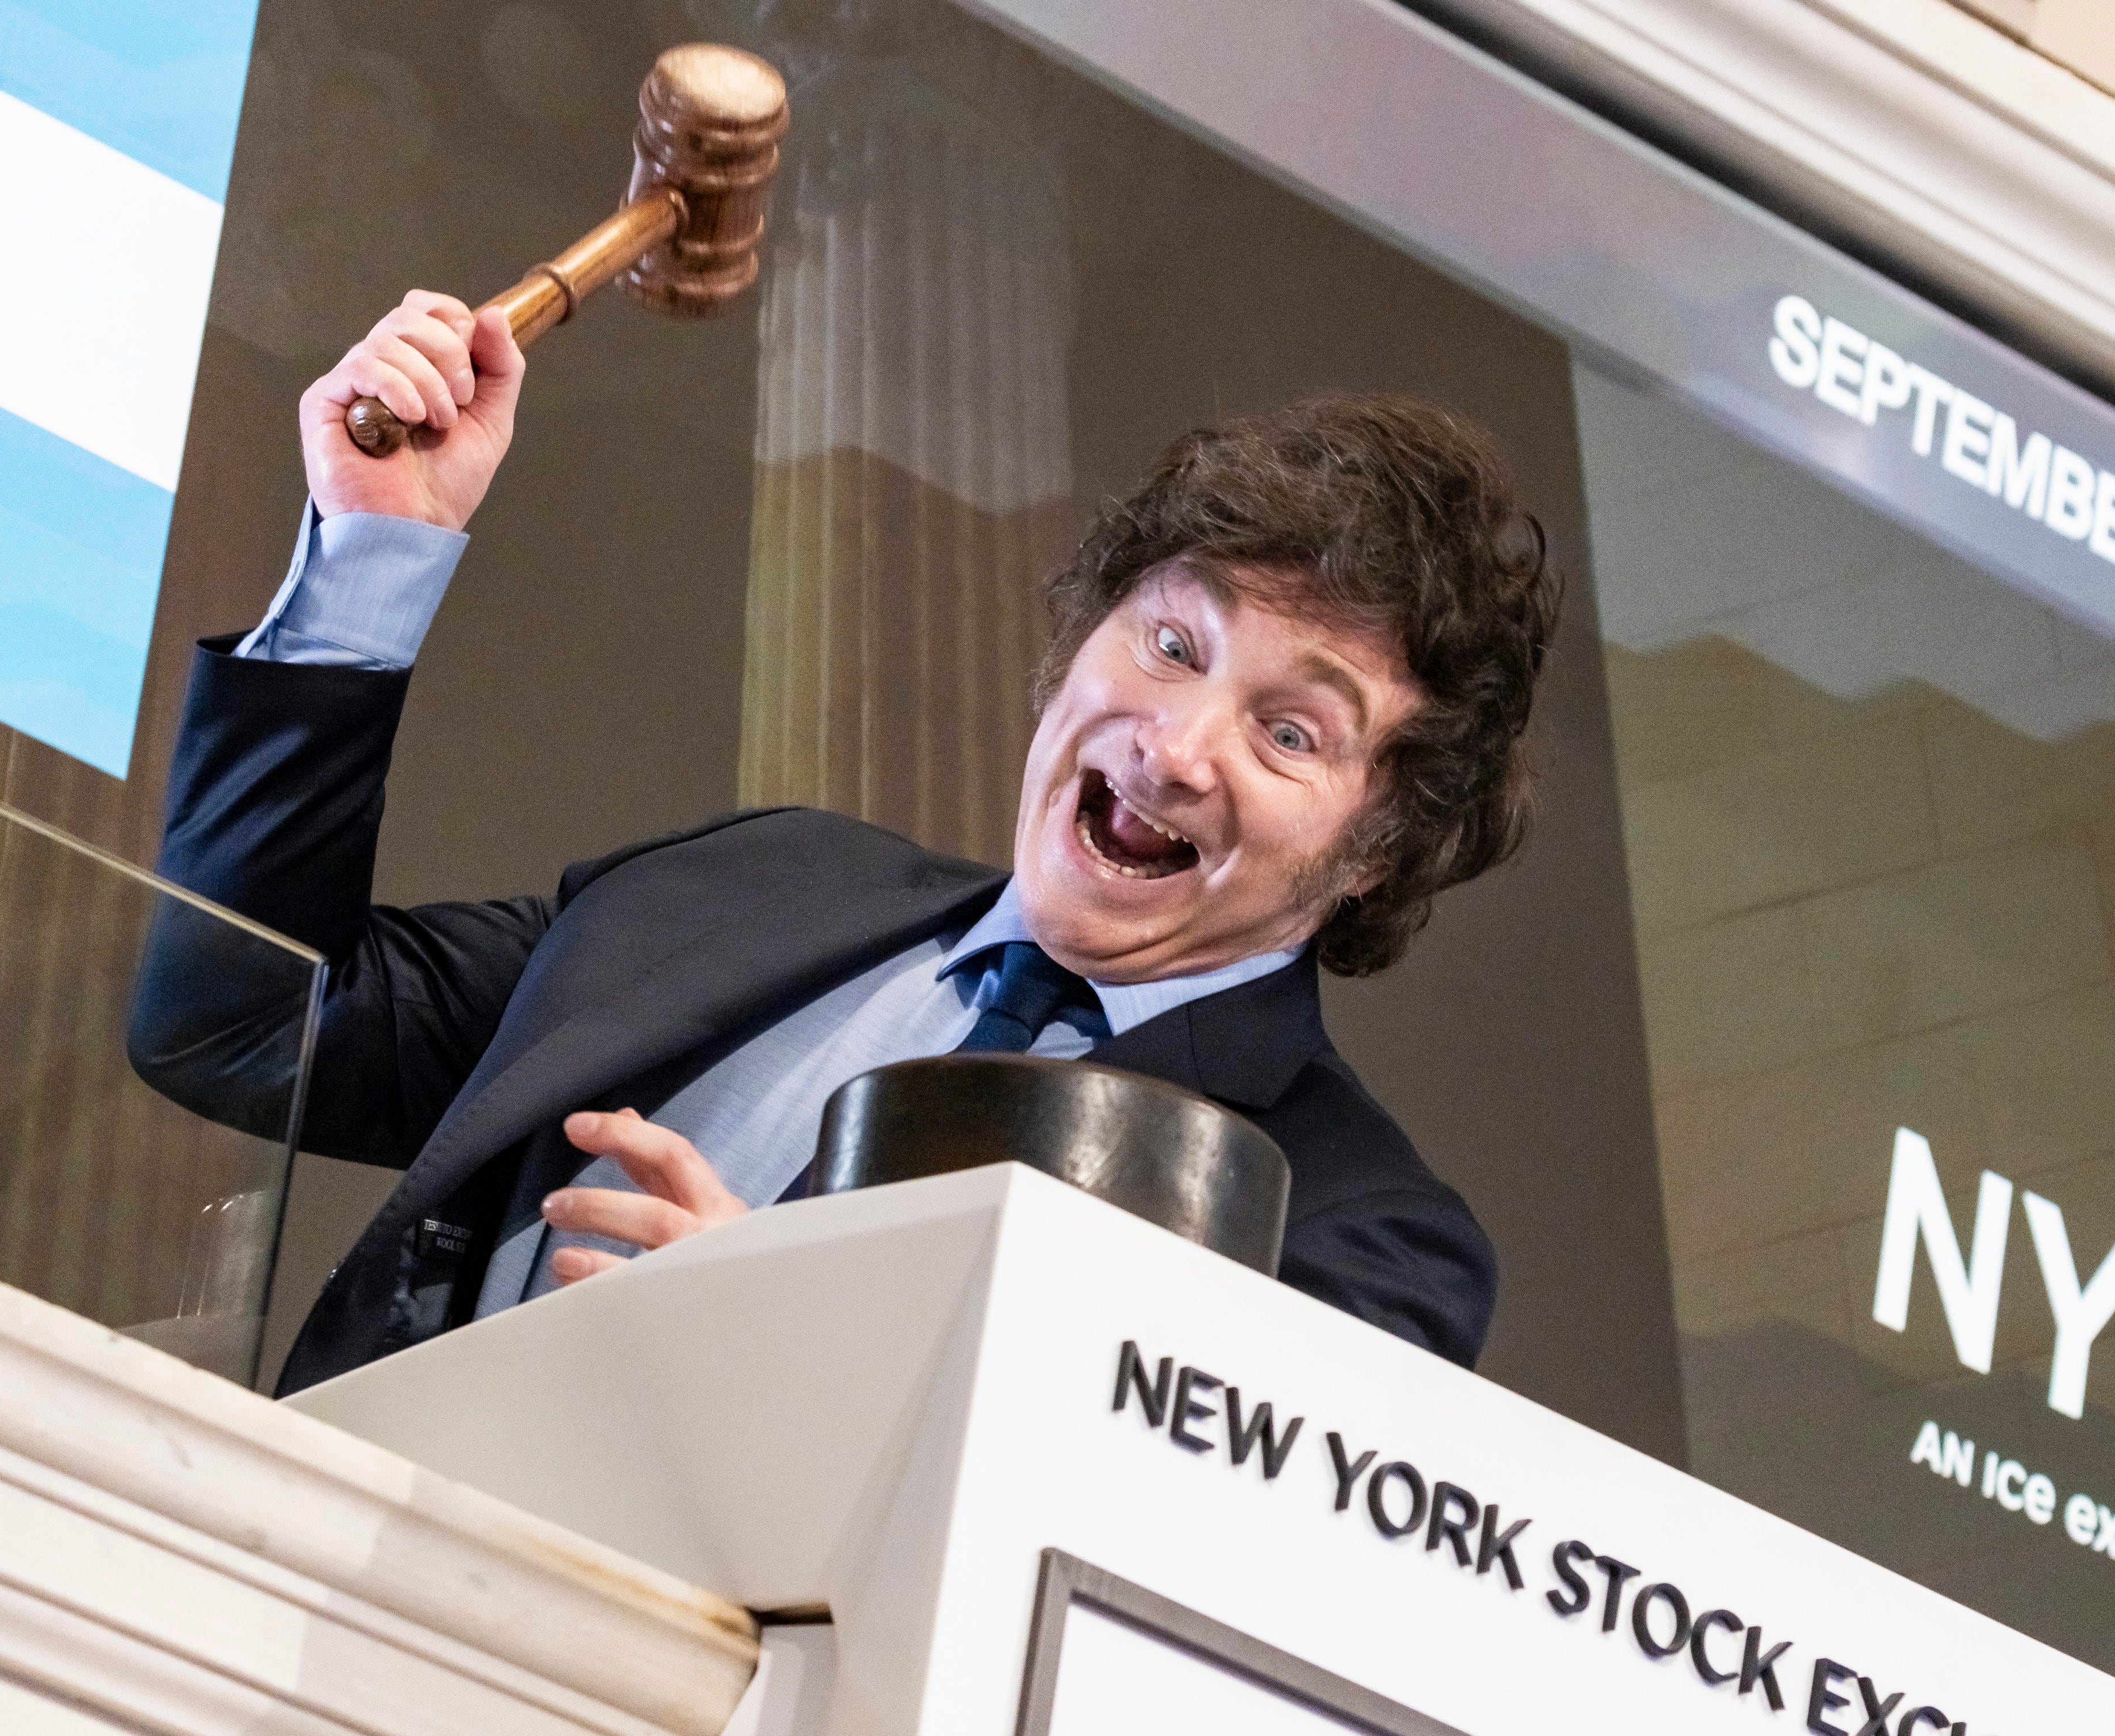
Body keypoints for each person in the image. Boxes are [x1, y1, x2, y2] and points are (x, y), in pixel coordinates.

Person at [133, 291, 1558, 1396]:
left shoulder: (1354, 1231)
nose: (1177, 745)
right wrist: (372, 554)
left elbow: (1157, 1599)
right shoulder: (756, 887)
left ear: (1383, 844)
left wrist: (784, 1351)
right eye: (1171, 642)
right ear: (1079, 644)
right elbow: (244, 1024)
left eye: (1291, 733)